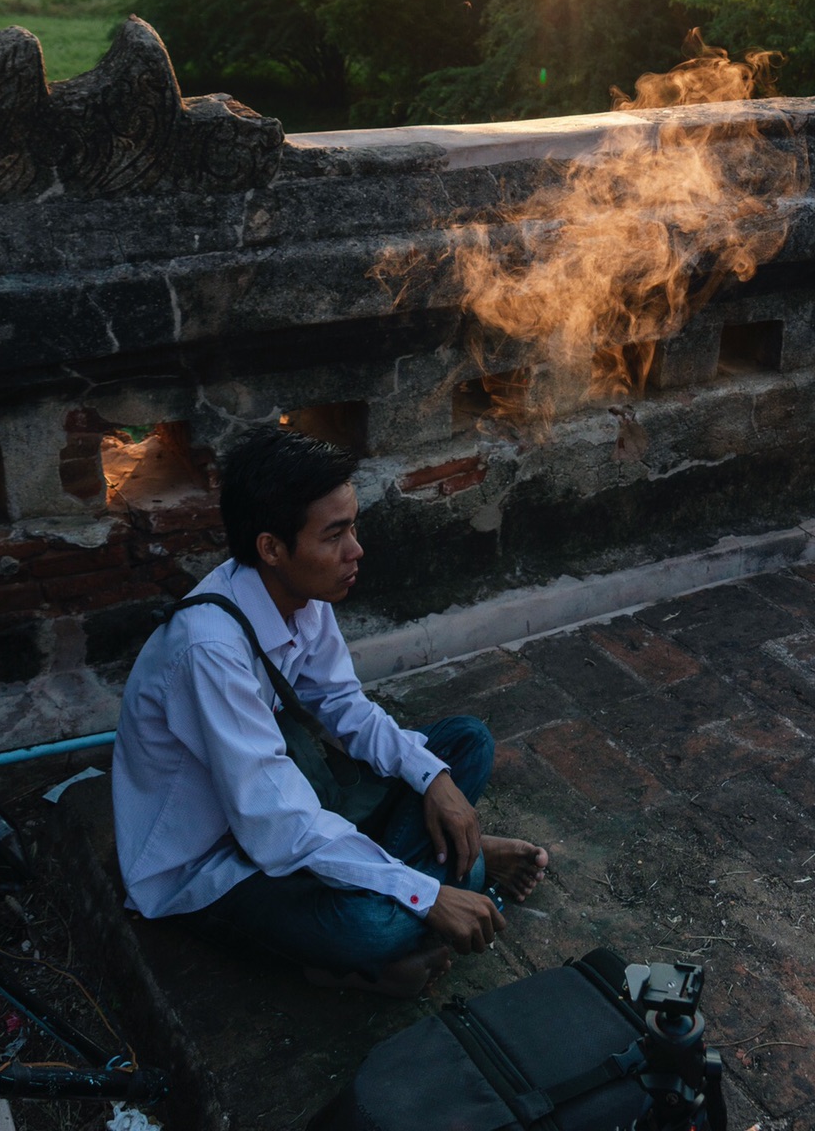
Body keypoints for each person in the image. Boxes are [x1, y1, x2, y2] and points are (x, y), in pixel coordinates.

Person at [112, 426, 548, 997]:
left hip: (293, 797)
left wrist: (434, 779)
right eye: (335, 535)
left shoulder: (298, 593)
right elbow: (275, 824)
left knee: (464, 745)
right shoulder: (208, 651)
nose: (356, 551)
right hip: (216, 861)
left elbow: (345, 707)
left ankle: (435, 862)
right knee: (371, 928)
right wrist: (424, 895)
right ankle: (430, 886)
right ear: (272, 547)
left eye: (354, 527)